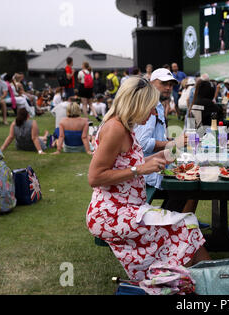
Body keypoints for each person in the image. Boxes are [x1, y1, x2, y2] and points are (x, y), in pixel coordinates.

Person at [86, 76, 210, 282]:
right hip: (112, 213)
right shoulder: (115, 129)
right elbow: (95, 177)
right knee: (184, 227)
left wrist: (161, 155)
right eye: (152, 108)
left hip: (127, 209)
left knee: (187, 225)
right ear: (138, 104)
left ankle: (188, 281)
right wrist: (140, 169)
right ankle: (191, 282)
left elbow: (127, 162)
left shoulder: (125, 127)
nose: (154, 113)